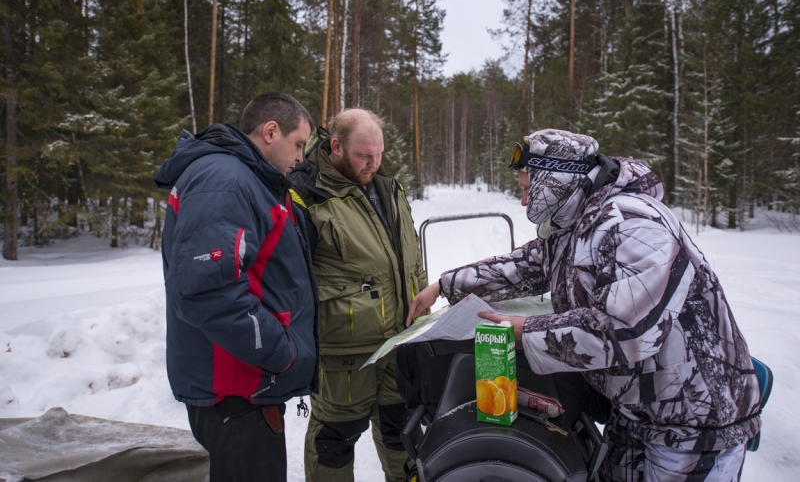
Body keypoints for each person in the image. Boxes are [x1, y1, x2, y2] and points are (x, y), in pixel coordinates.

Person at [407, 129, 762, 482]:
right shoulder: (577, 223)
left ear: (554, 178)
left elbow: (627, 332)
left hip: (692, 425)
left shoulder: (631, 224)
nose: (522, 201)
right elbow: (525, 266)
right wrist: (443, 285)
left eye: (527, 189)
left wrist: (523, 331)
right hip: (638, 415)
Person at [154, 92, 319, 482]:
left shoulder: (246, 178)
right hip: (237, 389)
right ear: (270, 131)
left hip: (247, 385)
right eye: (298, 144)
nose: (301, 158)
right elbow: (207, 290)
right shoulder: (224, 180)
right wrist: (283, 354)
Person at [288, 108, 428, 482]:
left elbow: (409, 257)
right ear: (336, 146)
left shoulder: (388, 187)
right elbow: (291, 280)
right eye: (364, 155)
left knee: (405, 435)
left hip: (398, 343)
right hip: (344, 357)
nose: (373, 163)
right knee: (334, 442)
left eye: (378, 154)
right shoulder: (307, 194)